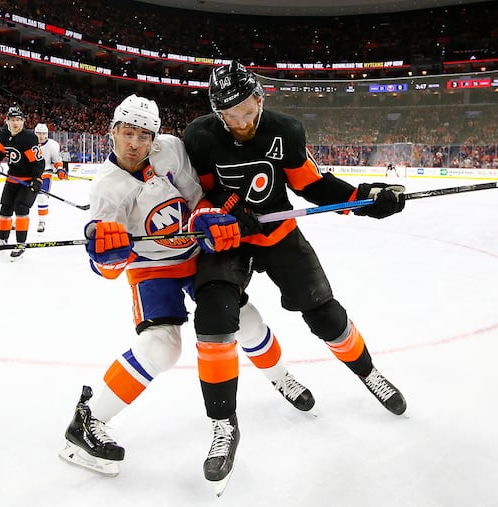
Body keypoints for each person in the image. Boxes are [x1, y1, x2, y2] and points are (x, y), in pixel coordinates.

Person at [59, 95, 313, 485]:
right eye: (127, 133)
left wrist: (211, 218)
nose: (134, 144)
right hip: (151, 268)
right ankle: (88, 422)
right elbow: (108, 268)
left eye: (144, 136)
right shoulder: (107, 188)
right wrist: (104, 252)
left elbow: (198, 201)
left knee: (245, 320)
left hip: (194, 256)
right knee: (162, 346)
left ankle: (282, 377)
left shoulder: (173, 150)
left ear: (155, 138)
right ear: (113, 131)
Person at [183, 61, 408, 484]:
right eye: (231, 116)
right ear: (217, 113)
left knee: (323, 310)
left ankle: (368, 373)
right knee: (212, 317)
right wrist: (218, 214)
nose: (242, 122)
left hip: (280, 236)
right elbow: (198, 195)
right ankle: (223, 424)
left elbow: (313, 186)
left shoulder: (285, 131)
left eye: (248, 110)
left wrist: (367, 198)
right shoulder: (199, 137)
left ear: (260, 98)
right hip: (228, 241)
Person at [0, 105, 45, 260]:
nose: (15, 123)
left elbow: (38, 163)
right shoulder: (5, 134)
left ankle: (20, 244)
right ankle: (2, 239)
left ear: (23, 121)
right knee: (5, 208)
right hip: (12, 178)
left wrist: (37, 179)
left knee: (21, 208)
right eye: (12, 120)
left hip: (28, 180)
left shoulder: (29, 138)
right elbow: (0, 152)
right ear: (7, 121)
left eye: (18, 120)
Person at [32, 123, 67, 233]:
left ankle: (42, 221)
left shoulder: (52, 145)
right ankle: (19, 219)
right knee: (24, 199)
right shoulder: (29, 143)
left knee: (42, 198)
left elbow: (57, 161)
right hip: (30, 175)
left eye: (43, 133)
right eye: (39, 133)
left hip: (45, 175)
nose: (41, 136)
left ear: (47, 134)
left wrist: (60, 170)